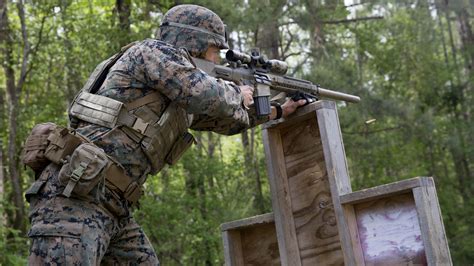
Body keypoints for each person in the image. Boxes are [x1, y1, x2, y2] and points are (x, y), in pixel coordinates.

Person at [26, 4, 306, 265]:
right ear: (193, 42)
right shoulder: (151, 53)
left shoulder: (175, 94)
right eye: (214, 50)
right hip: (73, 198)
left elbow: (228, 120)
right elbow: (204, 93)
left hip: (113, 207)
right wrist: (237, 91)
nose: (217, 58)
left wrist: (279, 110)